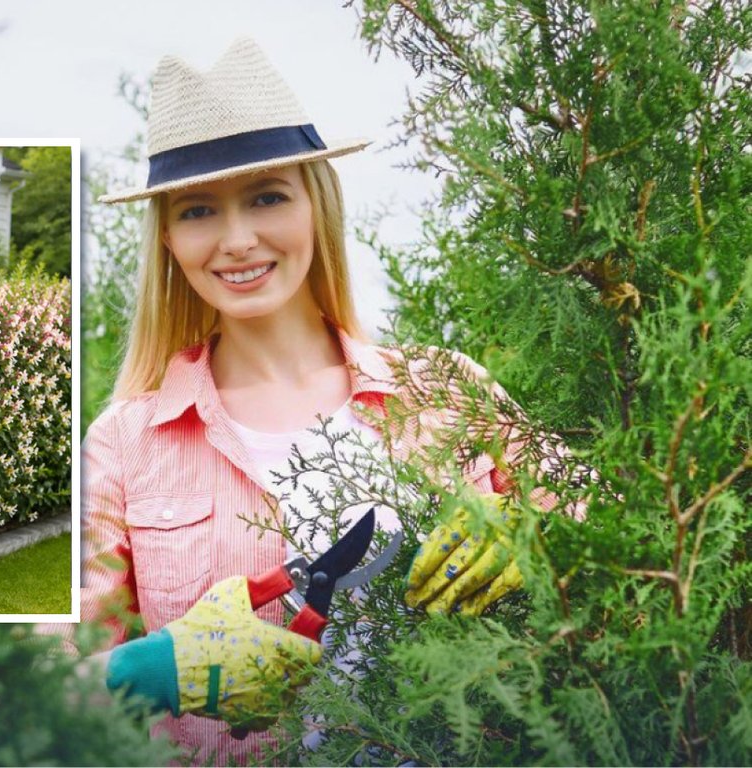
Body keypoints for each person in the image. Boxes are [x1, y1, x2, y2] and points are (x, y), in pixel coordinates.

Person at [71, 38, 572, 765]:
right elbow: (15, 685)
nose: (237, 240)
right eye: (199, 209)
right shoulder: (124, 443)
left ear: (316, 203)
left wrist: (528, 532)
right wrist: (145, 673)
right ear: (170, 239)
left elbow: (627, 525)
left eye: (267, 196)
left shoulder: (445, 390)